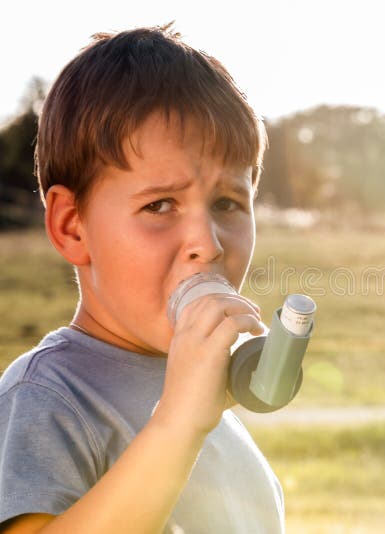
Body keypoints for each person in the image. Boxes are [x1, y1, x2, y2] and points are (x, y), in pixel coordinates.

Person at [0, 23, 284, 533]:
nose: (209, 243)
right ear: (73, 227)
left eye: (227, 203)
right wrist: (177, 424)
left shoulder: (210, 398)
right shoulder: (48, 395)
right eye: (159, 205)